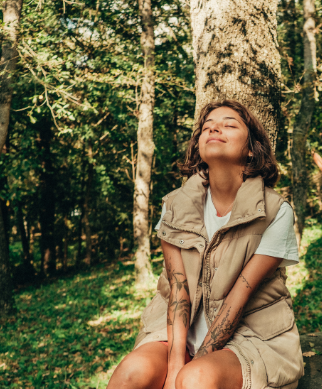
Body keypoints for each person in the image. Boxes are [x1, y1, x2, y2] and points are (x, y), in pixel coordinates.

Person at [108, 100, 304, 389]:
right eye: (207, 126)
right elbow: (178, 288)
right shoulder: (174, 205)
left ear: (251, 148)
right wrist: (176, 363)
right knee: (130, 372)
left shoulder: (275, 211)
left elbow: (239, 297)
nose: (215, 128)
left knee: (195, 379)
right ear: (198, 145)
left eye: (229, 124)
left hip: (251, 337)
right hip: (177, 335)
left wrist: (194, 364)